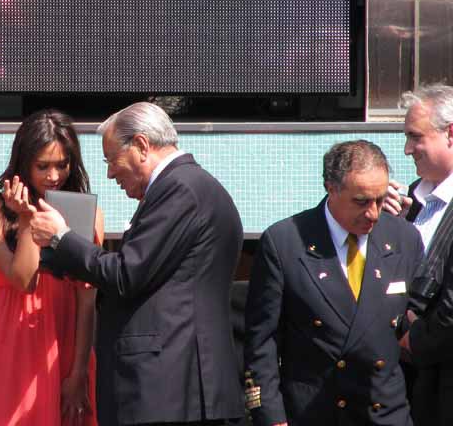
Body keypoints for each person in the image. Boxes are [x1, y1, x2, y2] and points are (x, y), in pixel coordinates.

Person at [30, 102, 245, 426]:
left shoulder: (180, 189)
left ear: (142, 146)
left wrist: (61, 236)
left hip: (170, 390)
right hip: (173, 390)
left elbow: (126, 274)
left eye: (112, 159)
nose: (110, 172)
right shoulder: (187, 187)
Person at [244, 140, 423, 426]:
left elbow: (414, 323)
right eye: (361, 201)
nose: (374, 213)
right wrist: (270, 415)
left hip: (384, 412)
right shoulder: (286, 242)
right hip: (317, 411)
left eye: (379, 199)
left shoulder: (403, 238)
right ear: (331, 188)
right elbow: (261, 342)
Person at [0, 109, 103, 426]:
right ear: (23, 162)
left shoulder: (86, 213)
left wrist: (79, 371)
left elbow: (87, 300)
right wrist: (27, 219)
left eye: (62, 165)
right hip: (12, 344)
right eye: (43, 166)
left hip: (66, 341)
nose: (54, 176)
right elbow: (23, 280)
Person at [382, 84, 453, 426]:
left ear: (450, 134)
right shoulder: (410, 200)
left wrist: (417, 341)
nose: (407, 149)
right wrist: (383, 227)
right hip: (404, 384)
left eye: (415, 137)